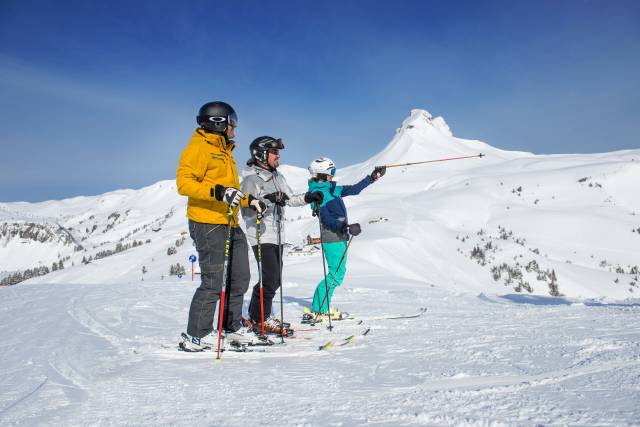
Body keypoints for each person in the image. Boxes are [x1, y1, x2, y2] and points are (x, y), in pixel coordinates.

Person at [176, 101, 267, 351]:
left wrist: (249, 200)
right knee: (213, 281)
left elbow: (231, 191)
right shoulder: (198, 148)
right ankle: (197, 334)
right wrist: (218, 192)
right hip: (207, 222)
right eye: (231, 123)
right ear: (218, 123)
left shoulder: (225, 151)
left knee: (240, 277)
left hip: (229, 220)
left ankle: (231, 326)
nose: (234, 128)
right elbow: (184, 184)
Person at [240, 136, 323, 335]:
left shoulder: (278, 178)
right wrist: (268, 199)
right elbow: (247, 211)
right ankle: (261, 319)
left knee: (274, 280)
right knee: (270, 279)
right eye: (274, 152)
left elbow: (289, 199)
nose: (278, 156)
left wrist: (307, 197)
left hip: (277, 235)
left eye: (278, 153)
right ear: (260, 154)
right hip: (261, 234)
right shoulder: (251, 180)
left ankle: (256, 316)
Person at [304, 158, 386, 322]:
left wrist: (373, 177)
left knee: (337, 273)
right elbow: (325, 218)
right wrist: (344, 227)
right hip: (332, 237)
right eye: (331, 172)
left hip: (340, 235)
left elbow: (355, 189)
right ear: (322, 174)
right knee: (335, 275)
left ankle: (322, 308)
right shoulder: (318, 194)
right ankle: (319, 310)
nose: (333, 175)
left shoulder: (332, 189)